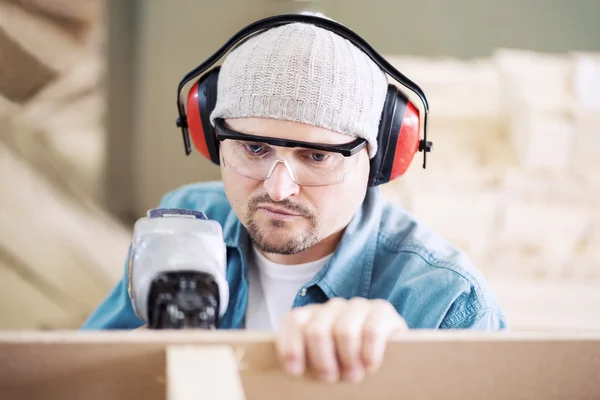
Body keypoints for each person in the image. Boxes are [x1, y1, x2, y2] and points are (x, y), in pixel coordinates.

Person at [82, 13, 507, 384]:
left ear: (383, 159)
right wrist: (127, 364)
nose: (278, 189)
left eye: (317, 155)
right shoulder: (185, 223)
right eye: (253, 149)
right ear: (212, 140)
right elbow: (73, 370)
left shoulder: (447, 301)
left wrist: (399, 375)